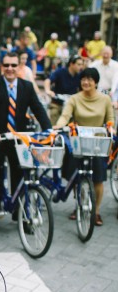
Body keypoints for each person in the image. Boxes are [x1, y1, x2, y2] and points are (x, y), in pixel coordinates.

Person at [0, 52, 51, 237]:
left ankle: (21, 216)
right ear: (2, 66)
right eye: (6, 65)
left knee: (21, 178)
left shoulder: (26, 86)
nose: (10, 68)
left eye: (13, 65)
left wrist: (49, 130)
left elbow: (38, 108)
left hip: (19, 140)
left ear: (19, 67)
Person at [54, 67, 114, 226]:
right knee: (76, 177)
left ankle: (97, 211)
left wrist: (111, 128)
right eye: (83, 79)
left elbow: (110, 119)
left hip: (98, 143)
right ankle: (78, 206)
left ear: (96, 82)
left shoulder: (105, 99)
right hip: (79, 142)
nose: (86, 82)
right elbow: (65, 116)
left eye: (90, 79)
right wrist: (58, 126)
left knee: (98, 179)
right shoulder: (74, 99)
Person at [44, 55, 84, 125]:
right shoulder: (60, 71)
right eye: (78, 64)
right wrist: (48, 90)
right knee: (54, 114)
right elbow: (48, 80)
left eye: (81, 65)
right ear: (71, 64)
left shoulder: (79, 75)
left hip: (71, 104)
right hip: (57, 103)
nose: (81, 67)